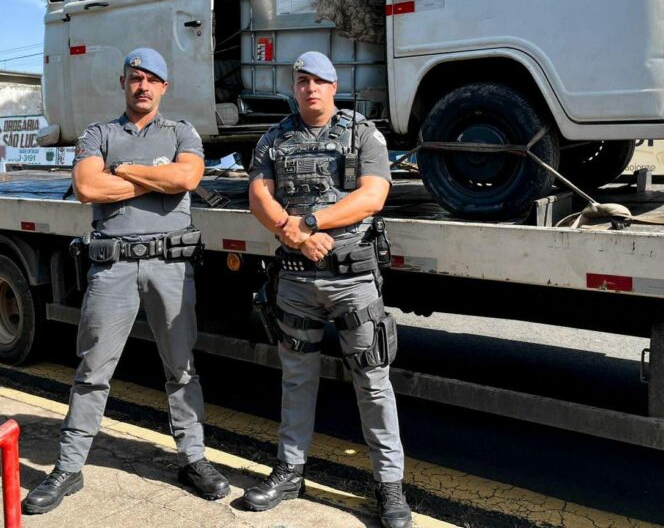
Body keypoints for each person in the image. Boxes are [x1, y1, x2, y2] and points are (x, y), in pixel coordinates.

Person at [22, 48, 230, 515]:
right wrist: (158, 178)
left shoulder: (181, 131)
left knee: (181, 368)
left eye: (153, 79)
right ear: (124, 82)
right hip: (112, 269)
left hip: (170, 270)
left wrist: (124, 170)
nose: (143, 86)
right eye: (136, 77)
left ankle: (193, 459)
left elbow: (189, 176)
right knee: (93, 371)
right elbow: (89, 189)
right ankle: (69, 468)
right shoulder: (100, 132)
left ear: (164, 87)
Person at [246, 51, 412, 528]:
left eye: (319, 80)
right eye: (302, 81)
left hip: (354, 280)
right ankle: (290, 472)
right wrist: (293, 232)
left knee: (373, 384)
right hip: (296, 279)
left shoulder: (363, 133)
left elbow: (373, 195)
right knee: (296, 378)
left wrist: (311, 221)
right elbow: (259, 193)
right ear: (294, 87)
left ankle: (389, 487)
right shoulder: (274, 138)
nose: (310, 88)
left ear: (334, 86)